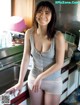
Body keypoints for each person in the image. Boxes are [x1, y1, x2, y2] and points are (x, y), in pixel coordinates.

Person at [6, 1, 65, 105]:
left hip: (53, 82)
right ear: (35, 14)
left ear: (52, 16)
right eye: (40, 11)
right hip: (33, 79)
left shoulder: (58, 36)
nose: (43, 15)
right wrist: (20, 83)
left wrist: (40, 77)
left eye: (47, 12)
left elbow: (59, 63)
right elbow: (26, 57)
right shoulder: (29, 33)